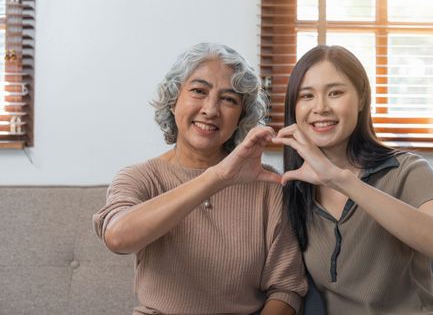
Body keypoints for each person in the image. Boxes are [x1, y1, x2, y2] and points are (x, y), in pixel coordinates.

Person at [93, 43, 307, 315]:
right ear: (173, 101)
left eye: (229, 99)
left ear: (241, 117)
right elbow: (118, 238)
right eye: (198, 91)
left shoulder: (267, 185)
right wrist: (216, 177)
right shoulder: (140, 178)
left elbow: (286, 288)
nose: (210, 109)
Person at [272, 45, 433, 314]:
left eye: (335, 93)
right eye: (307, 96)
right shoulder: (294, 190)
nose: (320, 107)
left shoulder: (406, 169)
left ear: (362, 99)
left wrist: (341, 180)